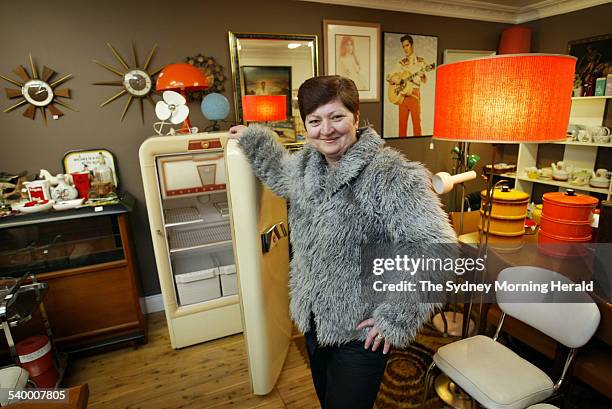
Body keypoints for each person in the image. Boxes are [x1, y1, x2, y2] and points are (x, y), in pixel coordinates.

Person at [230, 76, 456, 409]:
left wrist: (395, 316)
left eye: (336, 117)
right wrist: (251, 140)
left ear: (356, 116)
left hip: (361, 332)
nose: (327, 129)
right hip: (313, 321)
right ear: (305, 126)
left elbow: (438, 250)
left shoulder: (391, 174)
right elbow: (279, 173)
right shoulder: (307, 166)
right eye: (315, 121)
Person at [387, 35, 429, 137]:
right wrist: (395, 79)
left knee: (416, 126)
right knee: (402, 126)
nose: (405, 48)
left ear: (412, 45)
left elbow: (424, 80)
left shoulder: (421, 61)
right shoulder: (401, 63)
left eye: (407, 45)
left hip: (414, 94)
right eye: (403, 46)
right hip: (402, 96)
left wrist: (422, 75)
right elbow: (388, 76)